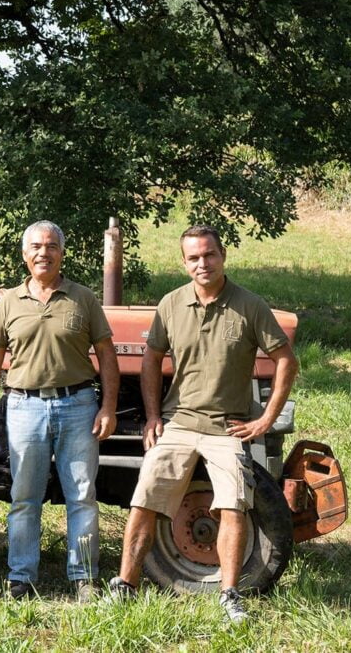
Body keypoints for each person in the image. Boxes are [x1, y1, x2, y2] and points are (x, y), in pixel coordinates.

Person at [109, 225, 298, 623]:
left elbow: (285, 360)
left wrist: (265, 419)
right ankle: (125, 584)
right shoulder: (172, 304)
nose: (202, 263)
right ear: (184, 262)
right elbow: (150, 358)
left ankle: (230, 594)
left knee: (233, 502)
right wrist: (154, 415)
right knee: (144, 496)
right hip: (178, 422)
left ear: (222, 255)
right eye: (194, 258)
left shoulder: (249, 305)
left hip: (226, 427)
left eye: (209, 255)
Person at [0, 221, 118, 603]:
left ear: (61, 253)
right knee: (25, 495)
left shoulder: (82, 298)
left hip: (77, 405)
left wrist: (108, 405)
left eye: (51, 246)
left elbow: (106, 353)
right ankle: (21, 576)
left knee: (82, 494)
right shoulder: (9, 301)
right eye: (36, 246)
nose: (44, 252)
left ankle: (84, 576)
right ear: (25, 255)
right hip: (25, 406)